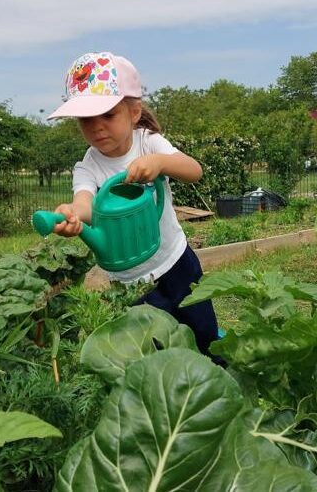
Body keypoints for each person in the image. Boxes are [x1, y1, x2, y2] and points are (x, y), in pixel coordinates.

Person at [48, 51, 222, 362]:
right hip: (131, 283)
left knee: (204, 332)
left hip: (176, 261)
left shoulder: (149, 143)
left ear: (134, 111)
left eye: (108, 115)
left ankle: (219, 374)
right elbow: (85, 204)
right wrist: (72, 215)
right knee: (157, 352)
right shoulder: (88, 166)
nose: (97, 127)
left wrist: (160, 162)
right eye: (86, 120)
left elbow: (194, 170)